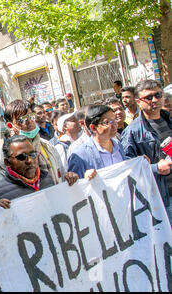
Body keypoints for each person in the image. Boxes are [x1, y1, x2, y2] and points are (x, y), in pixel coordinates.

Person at [120, 80, 172, 222]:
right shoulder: (132, 132)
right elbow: (127, 169)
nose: (154, 100)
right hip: (162, 198)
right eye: (148, 97)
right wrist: (156, 168)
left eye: (158, 95)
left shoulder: (169, 120)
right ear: (138, 101)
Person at [0, 100, 64, 188]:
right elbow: (3, 192)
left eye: (31, 116)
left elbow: (61, 176)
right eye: (22, 119)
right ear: (10, 126)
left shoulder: (47, 146)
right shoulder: (2, 158)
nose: (28, 121)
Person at [0, 135, 78, 201]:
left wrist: (69, 184)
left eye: (33, 154)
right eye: (21, 157)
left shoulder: (47, 179)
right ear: (7, 162)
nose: (30, 160)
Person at [68, 105, 127, 179]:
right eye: (107, 122)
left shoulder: (118, 146)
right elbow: (75, 186)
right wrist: (84, 177)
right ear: (93, 127)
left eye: (115, 120)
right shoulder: (80, 155)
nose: (115, 125)